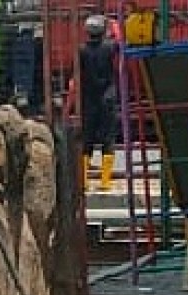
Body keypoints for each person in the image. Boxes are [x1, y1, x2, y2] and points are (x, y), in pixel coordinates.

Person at [79, 14, 119, 191]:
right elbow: (120, 40)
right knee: (108, 139)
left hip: (89, 99)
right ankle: (105, 181)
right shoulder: (110, 47)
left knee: (87, 139)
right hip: (108, 98)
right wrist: (113, 24)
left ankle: (84, 181)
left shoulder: (82, 50)